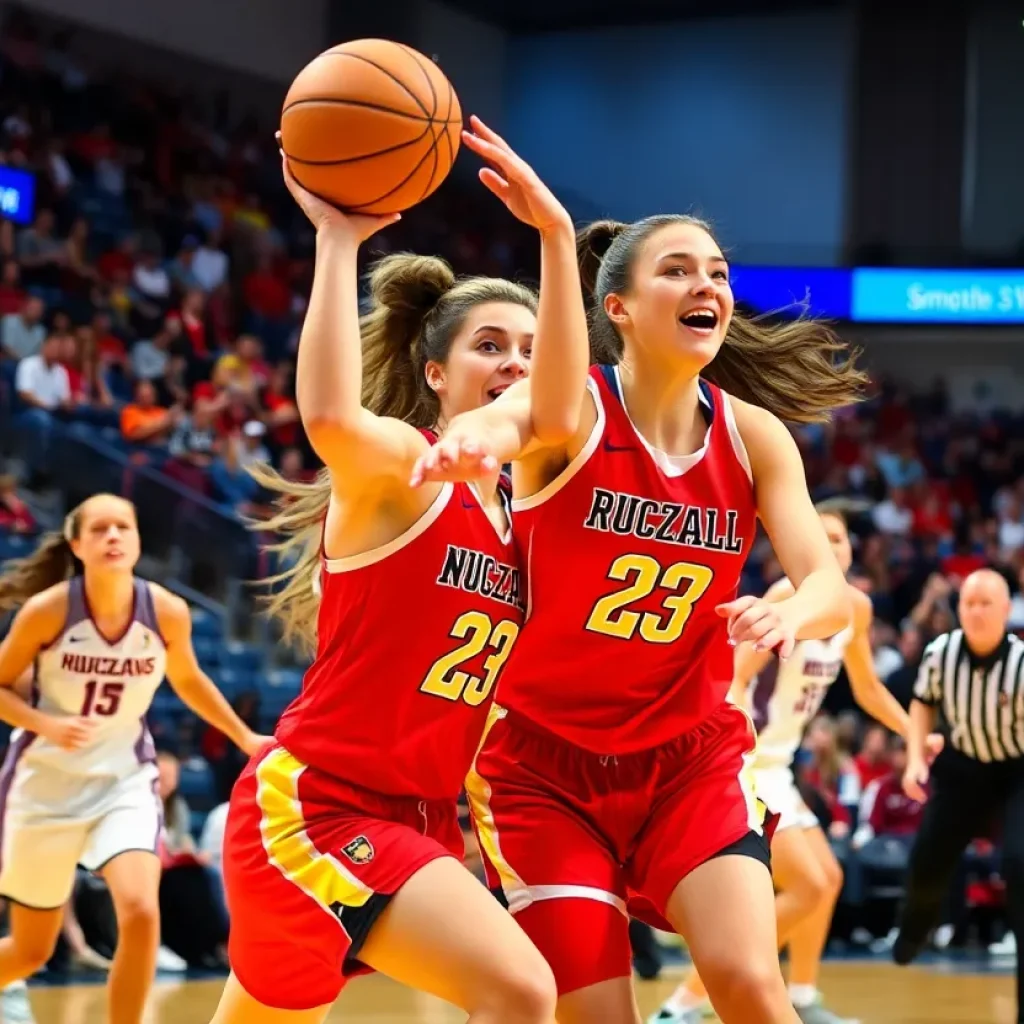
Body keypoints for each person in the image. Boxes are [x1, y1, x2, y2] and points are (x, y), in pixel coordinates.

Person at [413, 214, 865, 1024]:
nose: (708, 287)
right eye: (679, 270)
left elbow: (828, 585)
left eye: (719, 274)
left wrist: (790, 608)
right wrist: (467, 439)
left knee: (751, 986)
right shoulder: (576, 410)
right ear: (617, 306)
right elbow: (506, 420)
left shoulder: (753, 434)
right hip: (545, 772)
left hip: (689, 757)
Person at [210, 118, 587, 1024]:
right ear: (435, 372)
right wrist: (338, 241)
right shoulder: (401, 468)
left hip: (419, 816)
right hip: (320, 807)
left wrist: (559, 238)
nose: (516, 365)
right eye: (490, 345)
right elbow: (333, 417)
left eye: (530, 350)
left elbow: (563, 408)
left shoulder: (526, 518)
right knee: (522, 990)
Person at [651, 505, 942, 1023]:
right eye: (821, 537)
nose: (832, 548)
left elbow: (868, 689)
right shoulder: (786, 596)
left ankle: (803, 997)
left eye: (840, 539)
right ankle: (684, 1006)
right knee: (808, 885)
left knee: (827, 879)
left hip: (779, 765)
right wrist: (737, 744)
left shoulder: (856, 607)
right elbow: (735, 677)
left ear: (853, 550)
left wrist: (914, 736)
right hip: (745, 759)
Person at [0, 492, 267, 1024]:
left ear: (139, 540)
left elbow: (189, 679)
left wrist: (244, 737)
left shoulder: (165, 611)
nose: (114, 536)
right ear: (77, 544)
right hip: (45, 784)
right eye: (99, 529)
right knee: (31, 950)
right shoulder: (49, 610)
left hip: (124, 781)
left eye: (123, 526)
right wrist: (47, 724)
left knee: (143, 911)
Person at [897, 568, 1024, 1023]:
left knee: (1020, 864)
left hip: (1016, 769)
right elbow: (923, 702)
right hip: (963, 766)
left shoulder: (1022, 663)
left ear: (1008, 611)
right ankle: (913, 929)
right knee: (928, 859)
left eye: (986, 603)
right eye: (968, 603)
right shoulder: (941, 652)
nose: (975, 611)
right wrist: (915, 759)